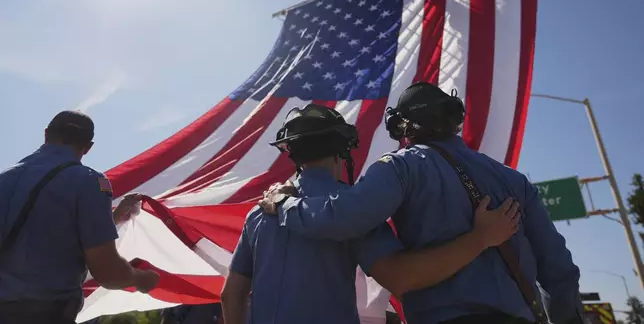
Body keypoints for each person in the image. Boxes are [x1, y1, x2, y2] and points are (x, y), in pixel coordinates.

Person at [260, 83, 585, 324]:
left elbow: (341, 217)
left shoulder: (400, 167)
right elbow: (560, 271)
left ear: (402, 126)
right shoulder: (513, 180)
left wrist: (285, 204)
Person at [222, 103, 522, 324]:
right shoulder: (354, 211)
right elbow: (401, 278)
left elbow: (231, 295)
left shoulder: (260, 214)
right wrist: (481, 238)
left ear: (292, 153)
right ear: (343, 151)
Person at [0, 110, 160, 324]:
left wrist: (114, 218)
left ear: (46, 134)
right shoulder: (89, 182)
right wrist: (141, 279)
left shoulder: (5, 179)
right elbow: (108, 273)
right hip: (43, 312)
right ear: (88, 147)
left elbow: (38, 233)